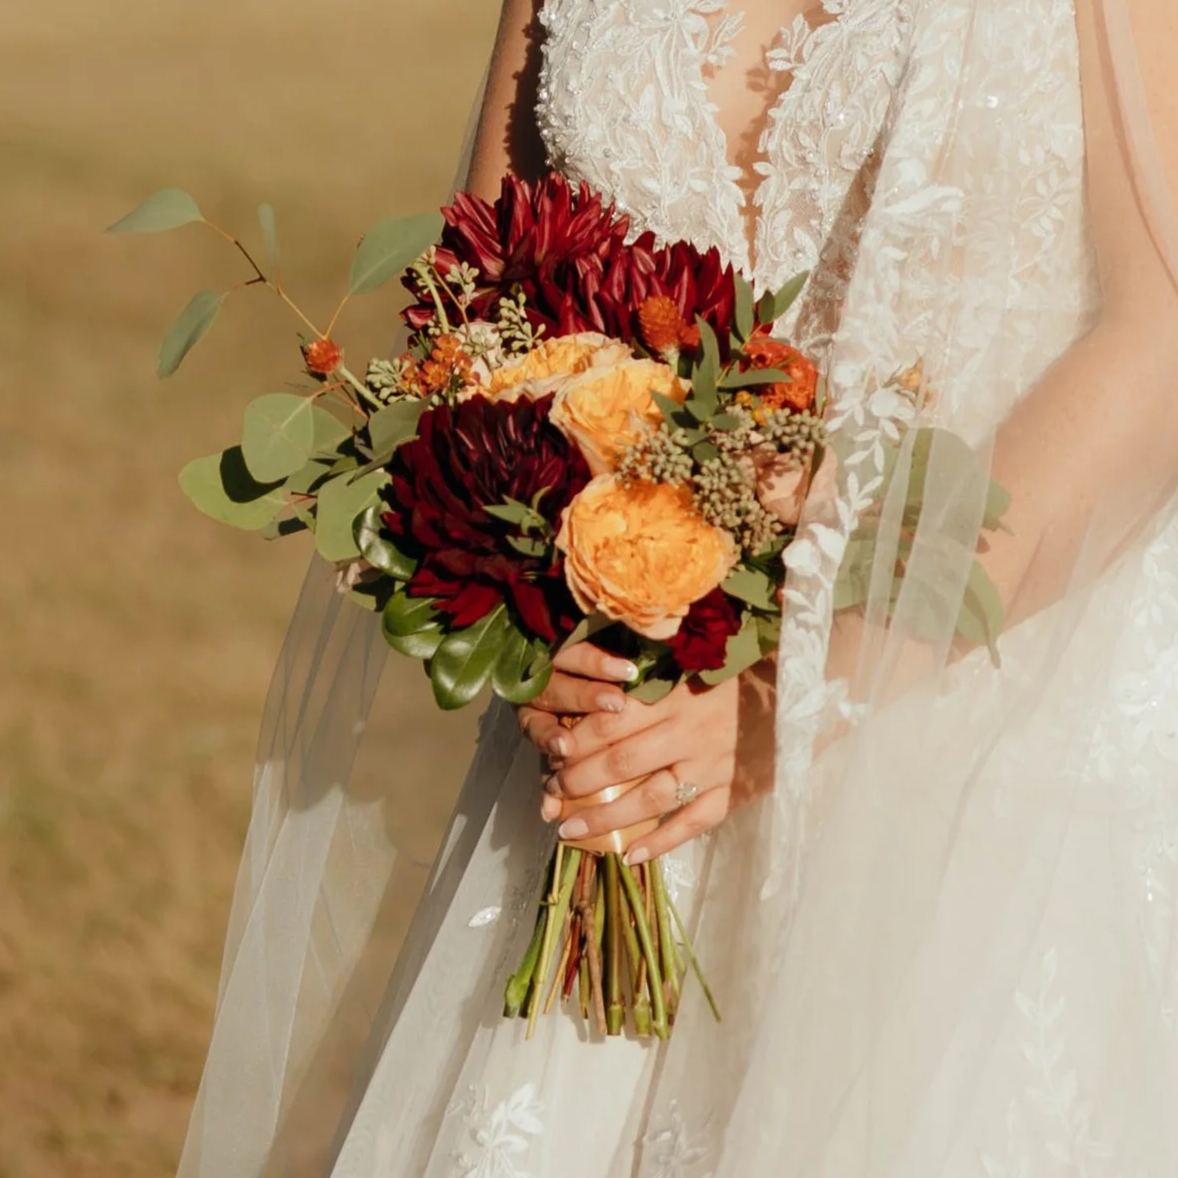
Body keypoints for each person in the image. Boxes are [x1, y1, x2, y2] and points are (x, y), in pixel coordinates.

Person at [178, 2, 1178, 1175]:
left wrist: (802, 692)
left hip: (972, 708)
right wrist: (525, 609)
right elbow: (486, 285)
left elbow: (1156, 332)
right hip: (617, 739)